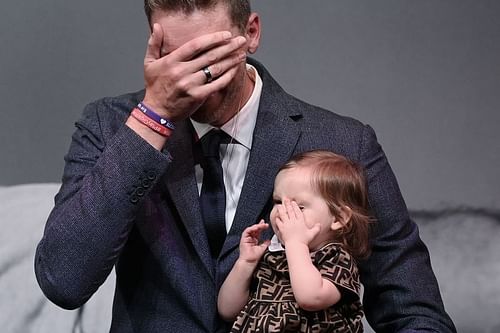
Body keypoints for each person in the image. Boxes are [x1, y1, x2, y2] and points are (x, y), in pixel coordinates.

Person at [34, 0, 456, 332]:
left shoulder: (344, 142)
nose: (196, 75)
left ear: (250, 33)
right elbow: (64, 280)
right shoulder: (111, 127)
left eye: (212, 53)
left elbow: (415, 312)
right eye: (177, 56)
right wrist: (153, 116)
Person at [218, 150, 371, 332]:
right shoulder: (272, 255)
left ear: (338, 218)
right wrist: (246, 263)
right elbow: (227, 310)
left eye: (298, 207)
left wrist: (296, 245)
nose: (281, 212)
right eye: (277, 201)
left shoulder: (337, 258)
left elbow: (310, 298)